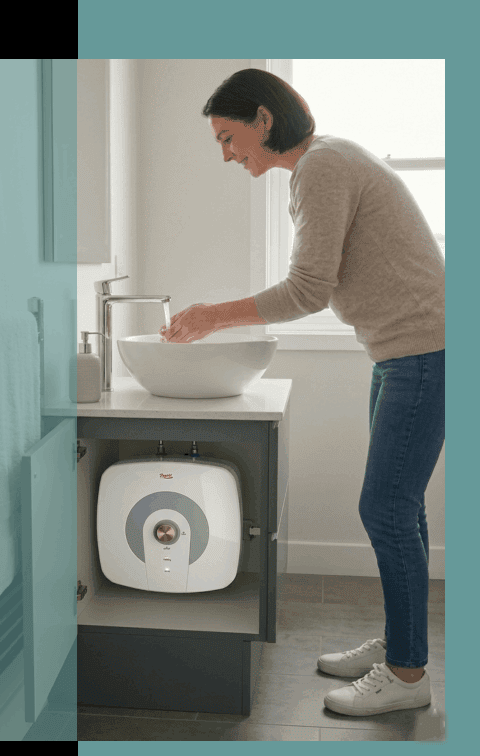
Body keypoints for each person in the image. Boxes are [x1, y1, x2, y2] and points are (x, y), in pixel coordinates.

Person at [160, 68, 445, 717]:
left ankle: (405, 678)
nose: (227, 154)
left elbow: (307, 290)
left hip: (423, 351)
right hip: (402, 351)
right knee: (402, 510)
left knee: (385, 510)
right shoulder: (324, 163)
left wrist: (209, 316)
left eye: (228, 138)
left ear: (263, 120)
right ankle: (402, 648)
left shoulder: (321, 166)